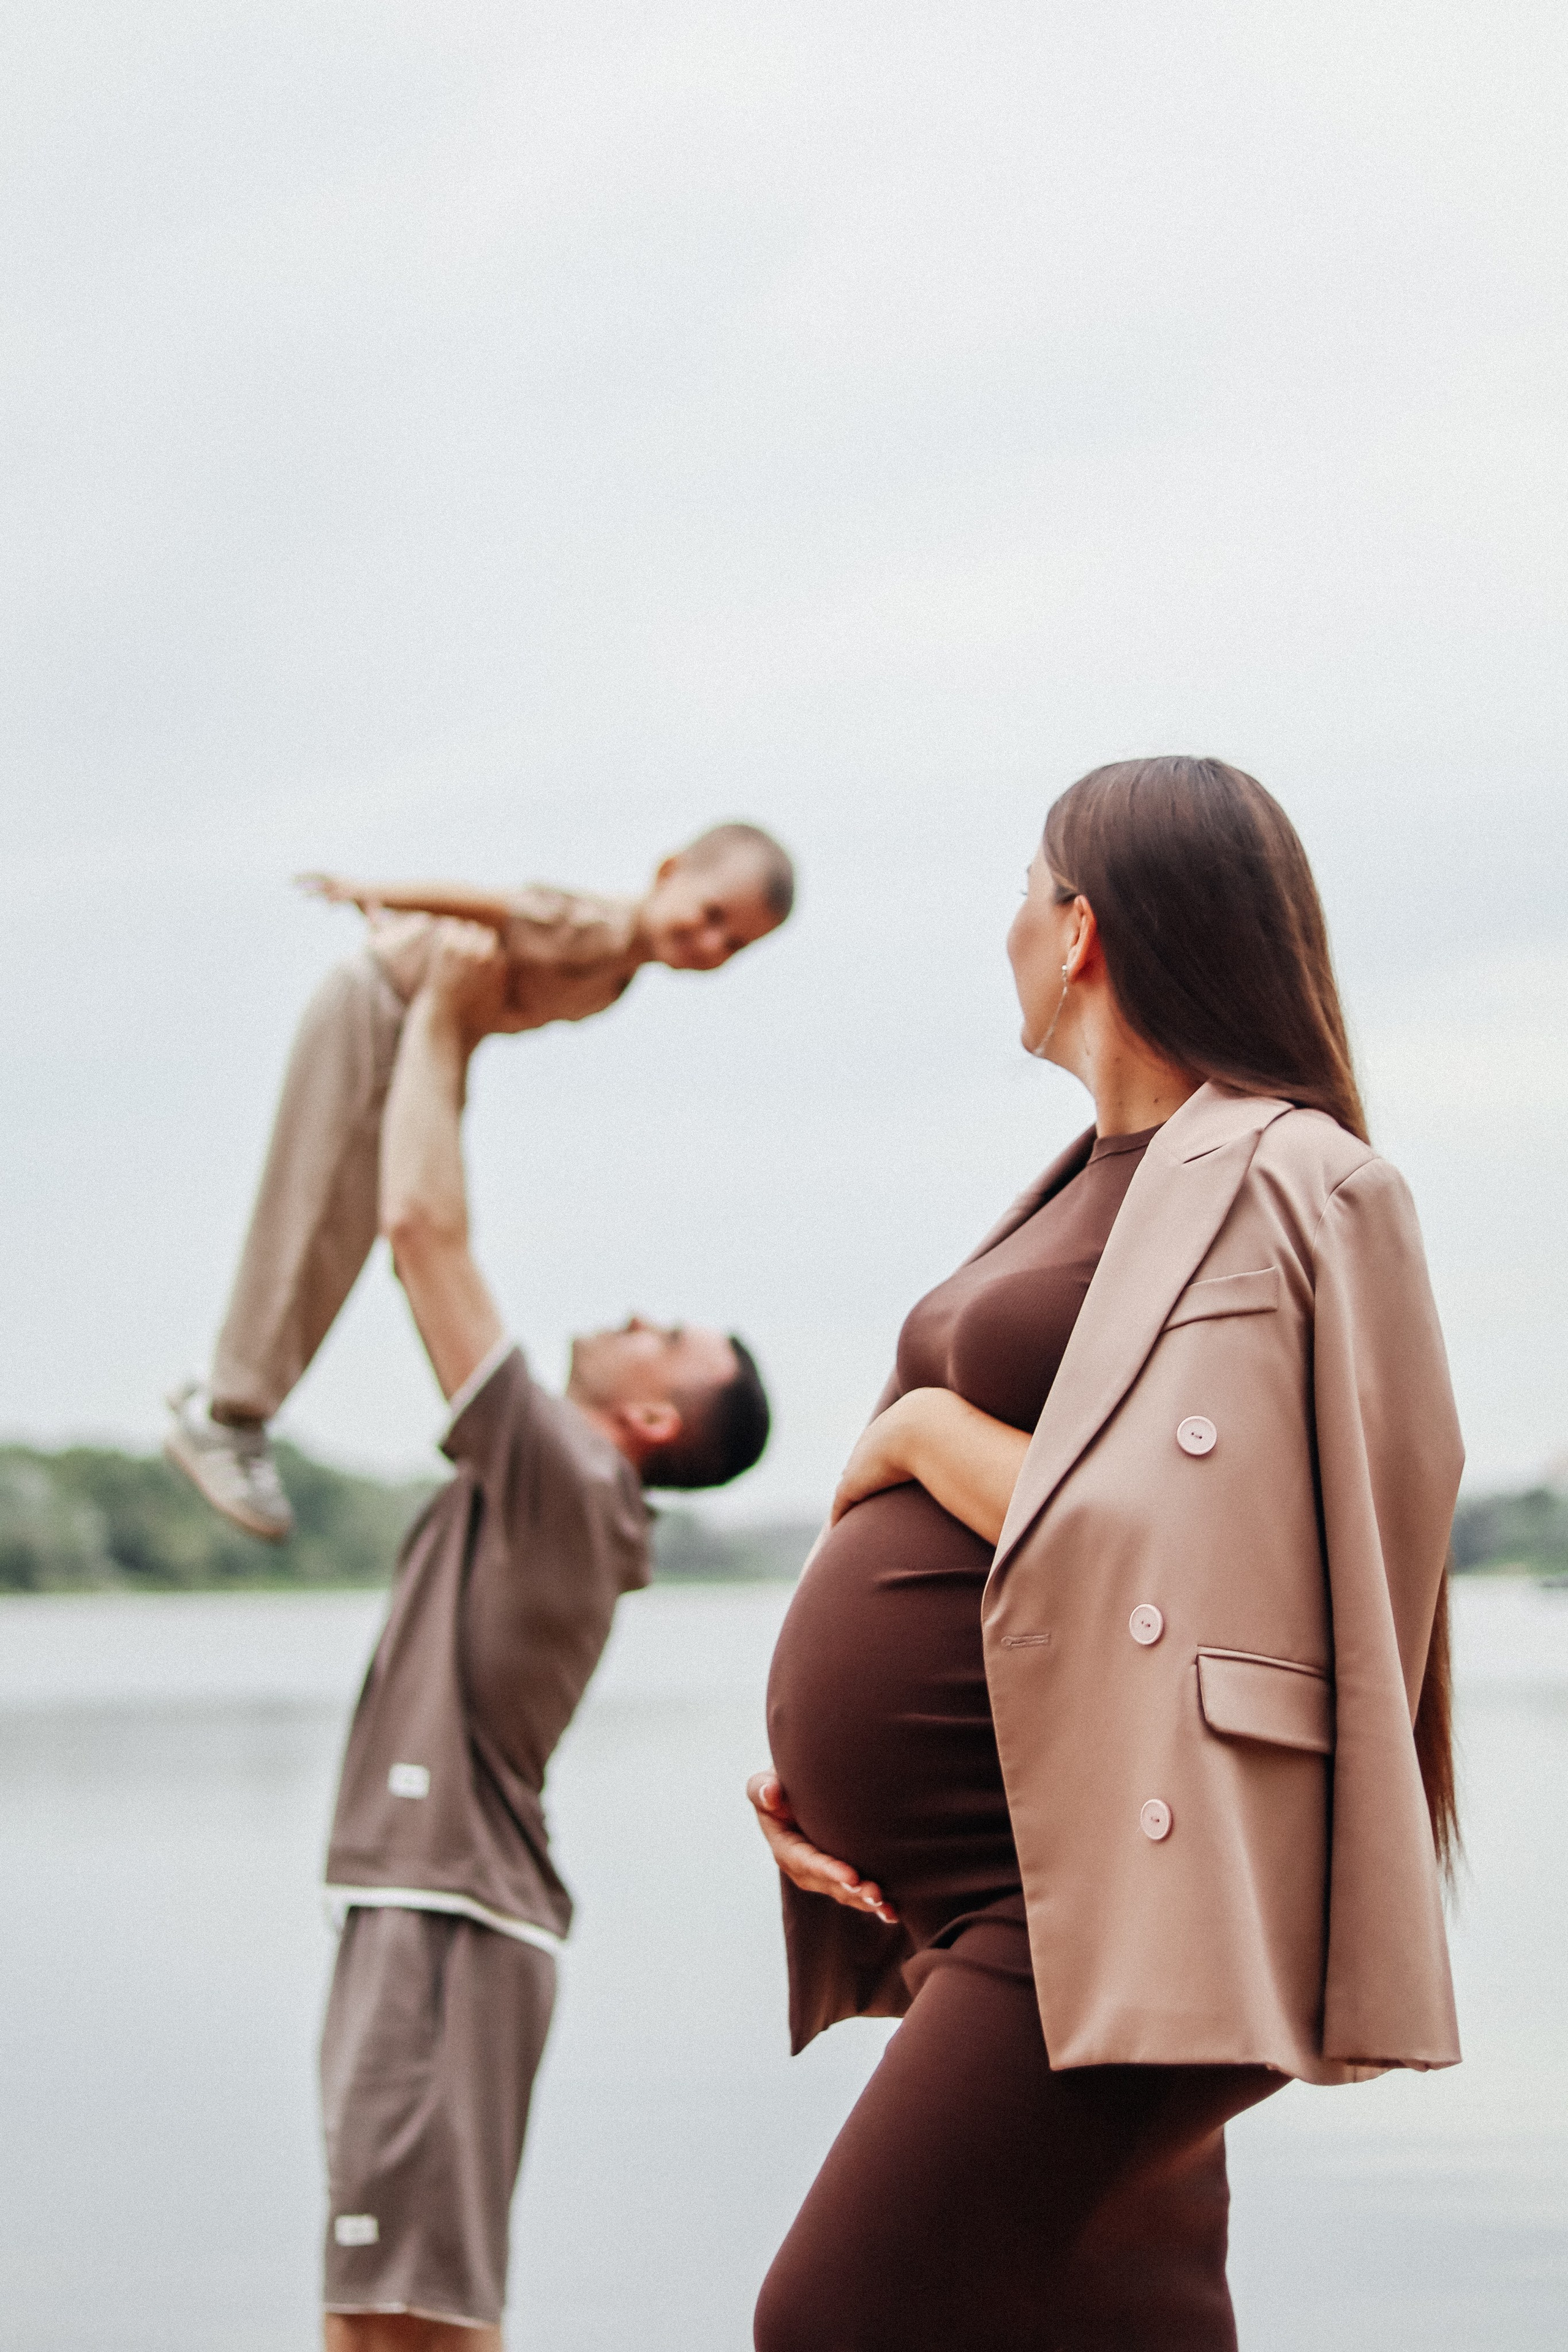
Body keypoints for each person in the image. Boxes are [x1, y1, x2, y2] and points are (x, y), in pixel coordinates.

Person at [748, 756, 1462, 2351]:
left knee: (834, 2321)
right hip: (994, 1882)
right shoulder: (1076, 1184)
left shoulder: (1307, 1181)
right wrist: (822, 1785)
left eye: (1023, 891)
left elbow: (1229, 1539)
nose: (1004, 928)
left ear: (1081, 930)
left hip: (1123, 1895)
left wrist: (926, 1434)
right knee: (1117, 2324)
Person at [316, 918, 771, 2348]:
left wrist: (445, 1017)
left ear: (647, 1422)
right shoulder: (555, 1484)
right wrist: (440, 1039)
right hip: (432, 1905)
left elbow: (420, 1235)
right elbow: (422, 1222)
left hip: (451, 1912)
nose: (636, 1312)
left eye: (666, 1330)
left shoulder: (570, 1476)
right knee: (380, 2303)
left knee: (412, 2318)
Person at [165, 821, 793, 1539]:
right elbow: (488, 905)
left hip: (427, 1041)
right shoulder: (595, 926)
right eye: (712, 915)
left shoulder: (616, 978)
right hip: (384, 1009)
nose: (711, 944)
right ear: (668, 871)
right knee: (315, 1208)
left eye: (735, 944)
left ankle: (237, 1408)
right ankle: (230, 1410)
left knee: (351, 1230)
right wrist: (372, 893)